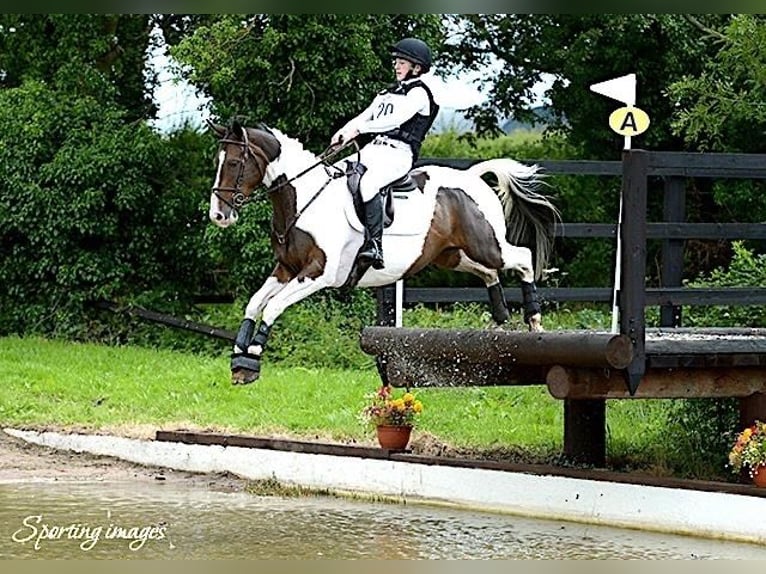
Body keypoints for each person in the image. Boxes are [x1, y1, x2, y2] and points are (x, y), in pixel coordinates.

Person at [331, 37, 440, 270]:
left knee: (368, 184)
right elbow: (366, 115)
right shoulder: (386, 93)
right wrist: (344, 131)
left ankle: (375, 245)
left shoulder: (419, 94)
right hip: (374, 149)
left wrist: (360, 130)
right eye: (396, 61)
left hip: (399, 154)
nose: (396, 66)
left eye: (402, 62)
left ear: (416, 67)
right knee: (332, 174)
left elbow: (394, 120)